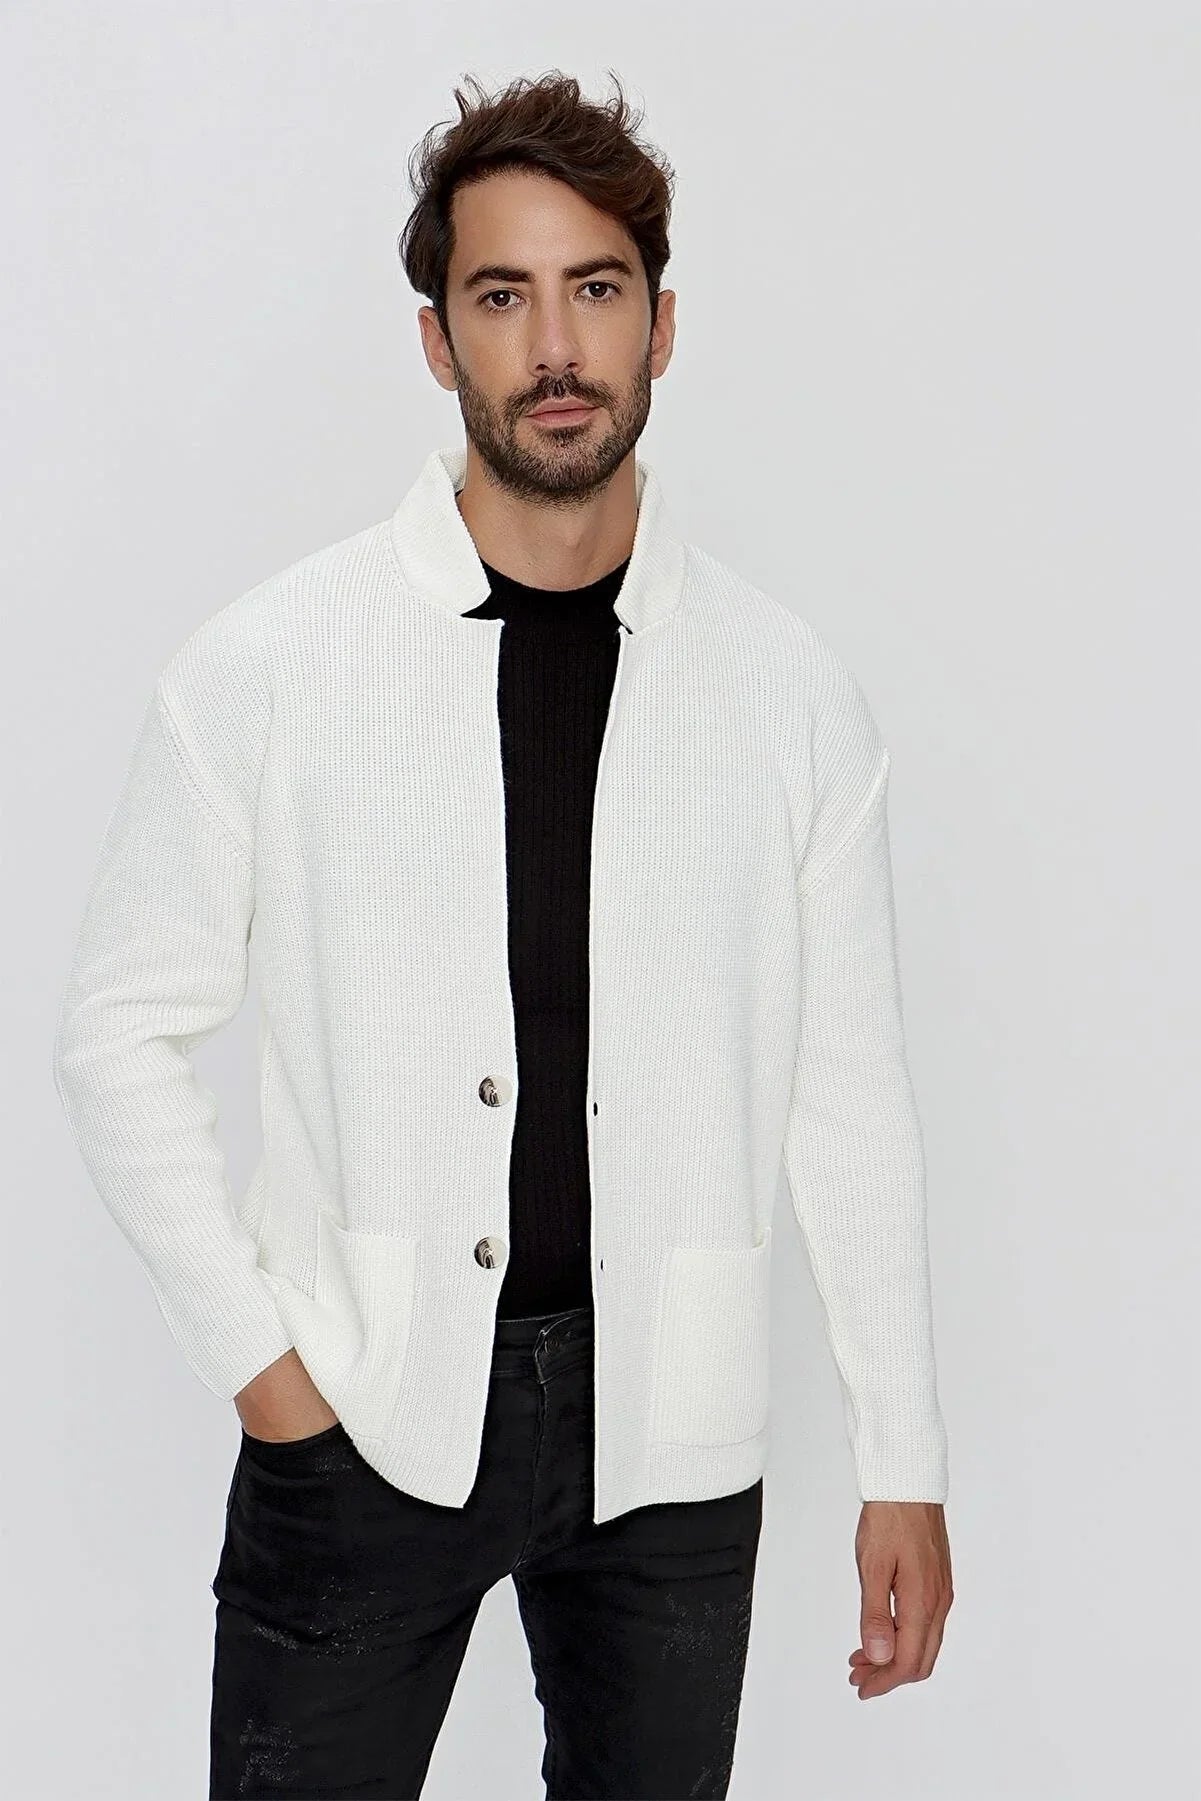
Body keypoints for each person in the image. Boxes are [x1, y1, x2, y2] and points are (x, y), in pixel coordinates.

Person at [52, 68, 954, 1801]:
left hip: (672, 1435)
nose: (553, 347)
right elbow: (116, 1034)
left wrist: (900, 1454)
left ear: (662, 325)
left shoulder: (789, 698)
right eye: (499, 295)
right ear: (435, 339)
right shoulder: (271, 667)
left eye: (594, 290)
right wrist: (266, 1372)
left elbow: (849, 1097)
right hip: (361, 1411)